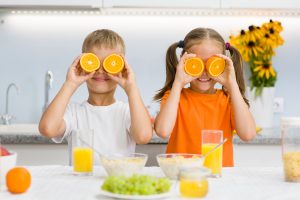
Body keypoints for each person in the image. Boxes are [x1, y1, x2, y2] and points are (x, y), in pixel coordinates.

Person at [39, 29, 153, 162]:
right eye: (94, 63)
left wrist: (131, 87)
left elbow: (143, 136)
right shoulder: (74, 112)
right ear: (83, 64)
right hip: (82, 181)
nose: (100, 70)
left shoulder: (127, 111)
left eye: (109, 64)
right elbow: (48, 129)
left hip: (116, 181)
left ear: (121, 67)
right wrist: (70, 84)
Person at [154, 28, 256, 166]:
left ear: (223, 65)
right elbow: (162, 131)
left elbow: (248, 134)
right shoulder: (175, 97)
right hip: (182, 175)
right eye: (197, 64)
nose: (204, 72)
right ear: (184, 62)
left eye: (211, 64)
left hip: (218, 177)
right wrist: (178, 82)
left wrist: (232, 85)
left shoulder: (229, 99)